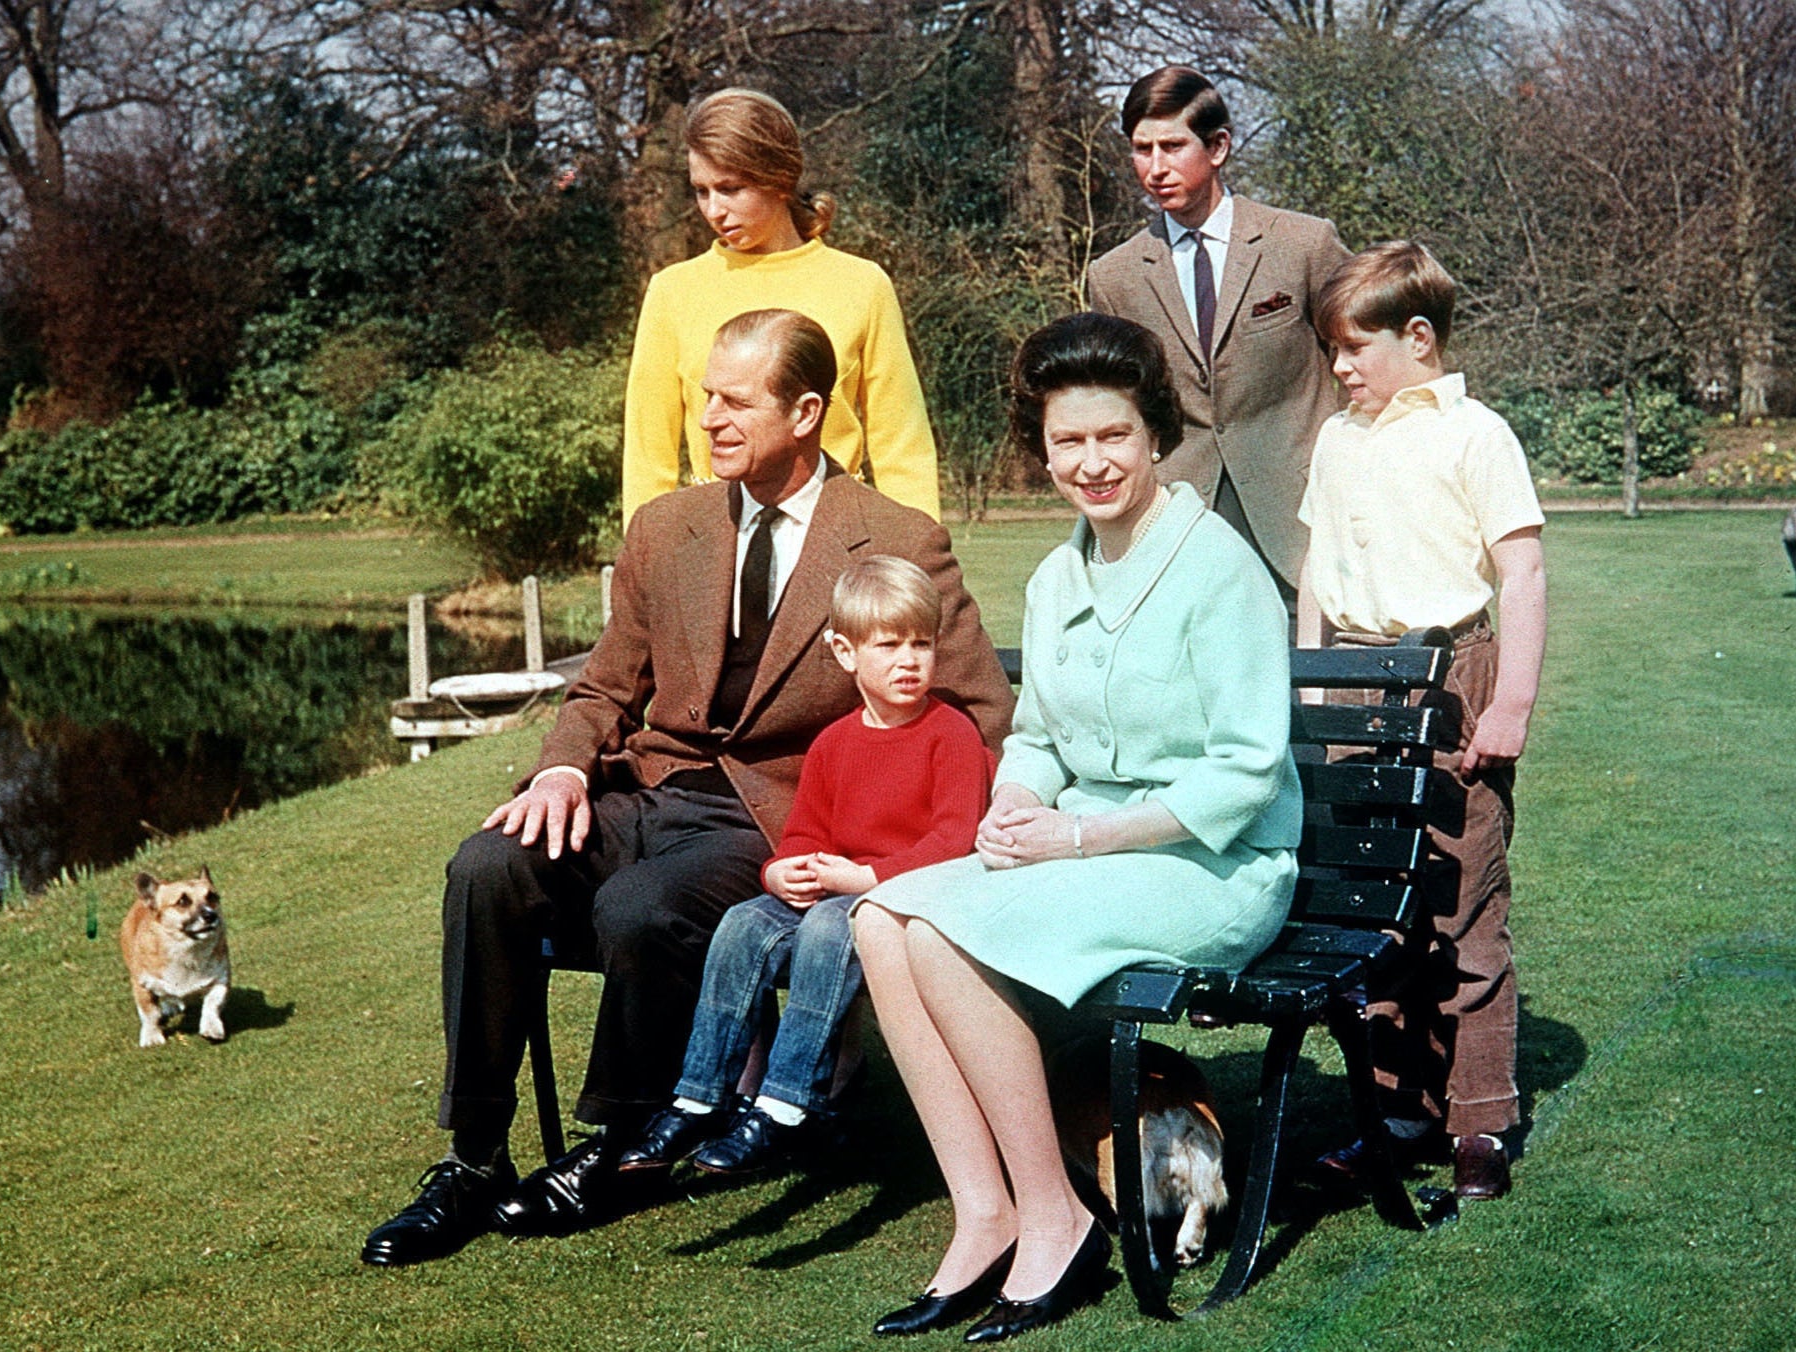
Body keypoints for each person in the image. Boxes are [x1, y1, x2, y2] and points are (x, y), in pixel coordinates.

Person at [360, 309, 1013, 1267]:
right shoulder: (667, 528)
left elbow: (976, 711)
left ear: (803, 412)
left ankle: (623, 1149)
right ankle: (473, 1157)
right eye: (705, 395)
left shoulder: (894, 537)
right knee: (488, 866)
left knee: (641, 907)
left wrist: (874, 852)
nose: (707, 416)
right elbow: (606, 683)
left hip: (782, 817)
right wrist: (559, 767)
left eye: (733, 400)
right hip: (648, 788)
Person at [851, 312, 1302, 1343]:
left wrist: (1079, 840)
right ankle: (988, 1210)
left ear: (1154, 436)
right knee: (883, 916)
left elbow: (1242, 777)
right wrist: (1017, 799)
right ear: (1041, 449)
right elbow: (1044, 734)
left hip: (1215, 866)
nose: (1090, 463)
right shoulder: (1059, 578)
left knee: (946, 934)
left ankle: (1056, 1215)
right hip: (1086, 850)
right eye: (1067, 442)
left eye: (1111, 436)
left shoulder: (1216, 568)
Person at [1296, 240, 1548, 1201]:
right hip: (1355, 679)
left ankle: (1480, 1117)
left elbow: (1520, 572)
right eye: (1331, 350)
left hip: (1451, 676)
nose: (1340, 368)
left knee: (1460, 906)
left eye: (1354, 348)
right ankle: (1398, 1109)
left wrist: (1510, 704)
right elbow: (1316, 572)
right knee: (1376, 909)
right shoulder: (1336, 438)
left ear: (1418, 337)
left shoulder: (1475, 434)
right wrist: (1315, 693)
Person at [614, 555, 995, 1178]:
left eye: (922, 644)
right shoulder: (835, 743)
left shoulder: (948, 735)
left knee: (825, 927)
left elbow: (953, 843)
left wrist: (863, 880)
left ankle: (787, 1105)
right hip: (838, 889)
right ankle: (700, 1096)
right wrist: (781, 871)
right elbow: (803, 834)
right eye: (889, 645)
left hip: (911, 901)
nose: (909, 661)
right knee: (744, 920)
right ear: (845, 653)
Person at [1086, 65, 1350, 599]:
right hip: (1181, 528)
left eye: (1172, 146)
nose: (1155, 167)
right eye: (1142, 149)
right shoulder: (1113, 277)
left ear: (1218, 147)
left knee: (1316, 682)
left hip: (1305, 521)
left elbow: (1365, 359)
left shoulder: (1303, 244)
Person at [622, 87, 940, 526]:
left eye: (731, 188)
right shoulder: (673, 291)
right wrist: (649, 563)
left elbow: (902, 447)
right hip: (718, 537)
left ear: (780, 178)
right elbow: (646, 456)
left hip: (838, 534)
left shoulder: (862, 285)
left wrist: (917, 562)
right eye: (701, 191)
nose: (714, 209)